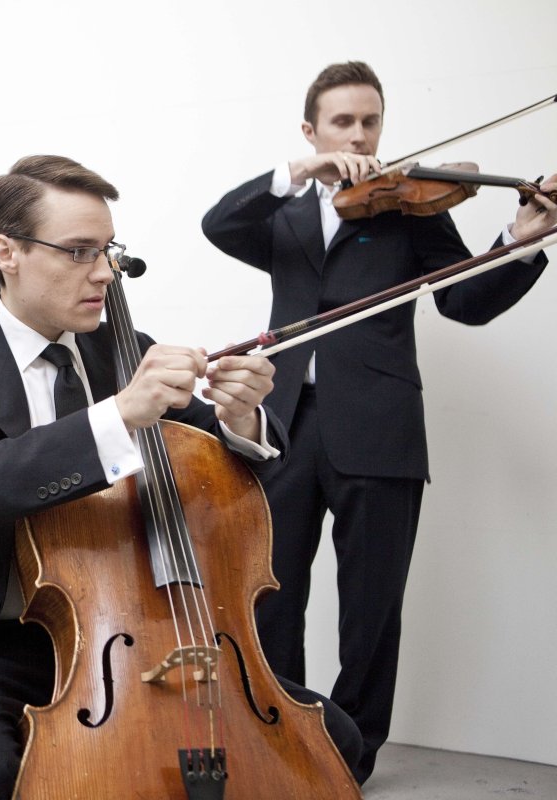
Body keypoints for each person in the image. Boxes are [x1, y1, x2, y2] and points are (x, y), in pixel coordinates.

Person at [0, 154, 361, 800]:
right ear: (7, 253)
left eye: (107, 250)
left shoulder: (125, 349)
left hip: (135, 633)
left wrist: (242, 417)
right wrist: (116, 416)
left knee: (331, 743)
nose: (103, 272)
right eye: (78, 252)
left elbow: (217, 459)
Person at [200, 60, 557, 784]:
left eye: (370, 121)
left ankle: (350, 752)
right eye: (343, 122)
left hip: (381, 426)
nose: (359, 135)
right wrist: (300, 172)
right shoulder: (282, 215)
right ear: (311, 130)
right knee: (271, 595)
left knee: (371, 607)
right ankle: (276, 733)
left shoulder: (409, 207)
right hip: (281, 428)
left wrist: (519, 240)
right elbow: (218, 223)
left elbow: (464, 301)